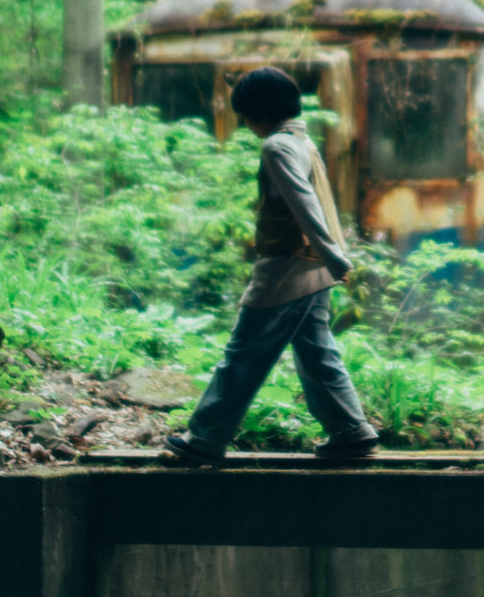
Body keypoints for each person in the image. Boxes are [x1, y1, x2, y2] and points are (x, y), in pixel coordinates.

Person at [164, 67, 382, 467]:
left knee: (243, 354)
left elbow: (305, 205)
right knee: (317, 355)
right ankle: (351, 432)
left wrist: (335, 258)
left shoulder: (277, 148)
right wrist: (332, 259)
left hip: (288, 269)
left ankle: (205, 439)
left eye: (246, 115)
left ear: (260, 112)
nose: (246, 125)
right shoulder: (302, 142)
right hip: (313, 270)